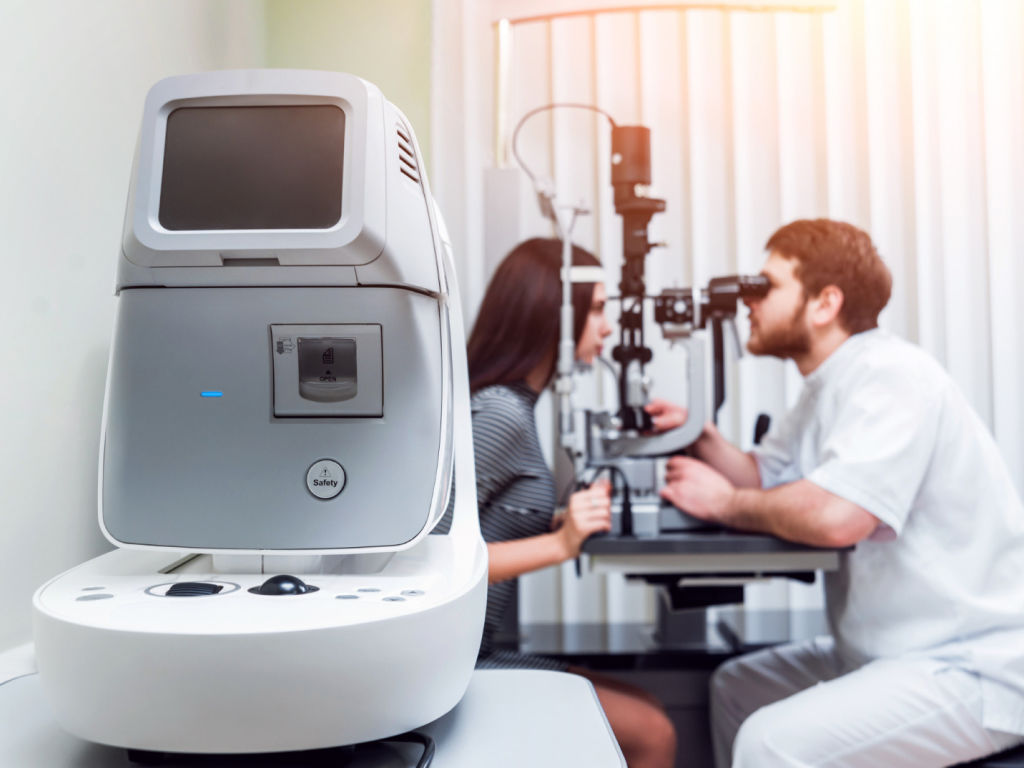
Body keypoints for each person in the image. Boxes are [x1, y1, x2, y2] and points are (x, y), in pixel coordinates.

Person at [651, 218, 1024, 767]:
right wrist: (698, 437)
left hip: (967, 664)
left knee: (769, 742)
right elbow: (764, 476)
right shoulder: (828, 386)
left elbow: (836, 517)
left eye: (767, 286)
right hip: (887, 653)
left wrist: (725, 504)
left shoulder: (891, 376)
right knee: (737, 687)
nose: (748, 302)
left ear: (825, 303)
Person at [459, 237, 677, 768]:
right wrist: (562, 543)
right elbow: (441, 564)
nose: (606, 327)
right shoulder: (500, 415)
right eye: (598, 309)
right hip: (458, 672)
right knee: (651, 733)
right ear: (553, 315)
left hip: (478, 658)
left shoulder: (517, 408)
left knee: (647, 708)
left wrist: (561, 519)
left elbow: (487, 525)